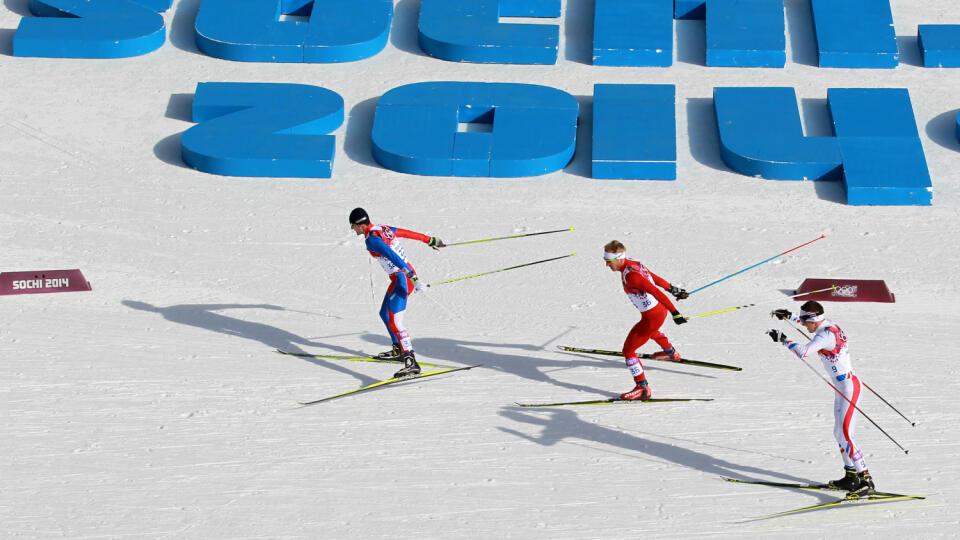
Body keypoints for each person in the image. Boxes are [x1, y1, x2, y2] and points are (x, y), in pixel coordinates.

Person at [767, 300, 875, 497]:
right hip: (842, 386)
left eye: (805, 321)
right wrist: (788, 316)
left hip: (849, 387)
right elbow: (805, 319)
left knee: (847, 435)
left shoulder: (825, 336)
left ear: (813, 320)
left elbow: (804, 352)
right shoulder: (826, 323)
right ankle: (851, 476)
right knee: (838, 433)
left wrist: (783, 339)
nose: (803, 324)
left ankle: (866, 479)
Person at [349, 207, 445, 378]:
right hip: (399, 277)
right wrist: (429, 239)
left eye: (353, 226)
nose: (352, 229)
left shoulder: (371, 240)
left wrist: (413, 278)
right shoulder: (381, 228)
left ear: (360, 225)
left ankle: (411, 361)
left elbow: (393, 257)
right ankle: (398, 350)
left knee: (395, 321)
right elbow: (406, 233)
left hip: (403, 278)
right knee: (384, 314)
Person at [603, 240, 689, 401]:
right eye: (605, 261)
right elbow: (654, 278)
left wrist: (675, 313)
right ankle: (670, 353)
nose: (607, 265)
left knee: (628, 351)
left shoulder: (632, 276)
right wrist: (673, 289)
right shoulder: (633, 263)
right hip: (655, 313)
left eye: (609, 261)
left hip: (653, 316)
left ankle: (642, 388)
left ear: (619, 258)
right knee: (650, 331)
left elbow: (656, 292)